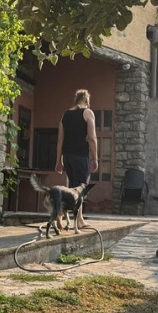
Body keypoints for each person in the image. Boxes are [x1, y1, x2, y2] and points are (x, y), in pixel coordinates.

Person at [56, 89, 98, 227]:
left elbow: (60, 140)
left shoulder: (65, 115)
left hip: (67, 155)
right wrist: (95, 158)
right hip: (80, 155)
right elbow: (92, 138)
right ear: (86, 101)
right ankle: (63, 212)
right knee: (81, 188)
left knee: (74, 187)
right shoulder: (87, 112)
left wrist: (59, 161)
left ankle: (78, 219)